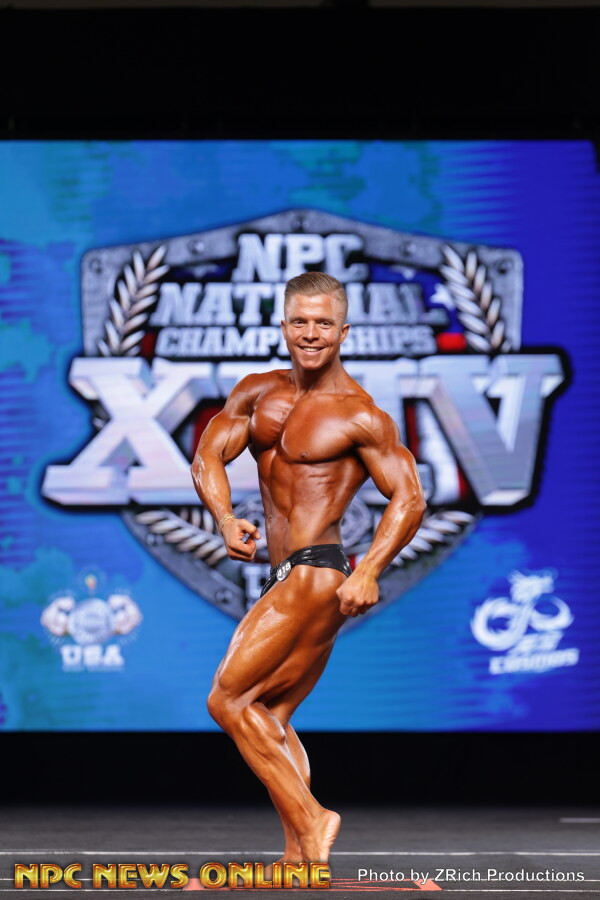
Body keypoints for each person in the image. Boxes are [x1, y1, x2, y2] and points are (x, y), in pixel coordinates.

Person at [188, 271, 426, 882]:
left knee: (228, 699)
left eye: (324, 323)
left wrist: (370, 570)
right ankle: (300, 856)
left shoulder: (361, 415)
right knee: (267, 712)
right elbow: (208, 454)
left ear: (344, 332)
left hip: (318, 571)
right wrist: (224, 518)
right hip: (283, 574)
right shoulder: (257, 393)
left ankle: (314, 819)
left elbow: (409, 498)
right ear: (284, 326)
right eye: (300, 321)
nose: (311, 333)